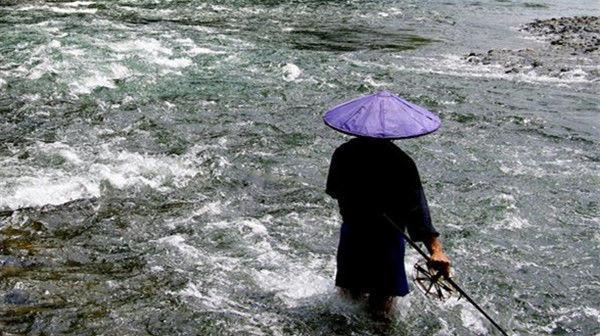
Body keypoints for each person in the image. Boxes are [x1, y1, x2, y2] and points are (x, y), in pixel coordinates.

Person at [322, 91, 451, 319]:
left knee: (347, 303)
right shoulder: (402, 163)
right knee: (381, 312)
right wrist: (435, 250)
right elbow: (417, 212)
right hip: (386, 241)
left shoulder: (342, 154)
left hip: (353, 234)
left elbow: (334, 191)